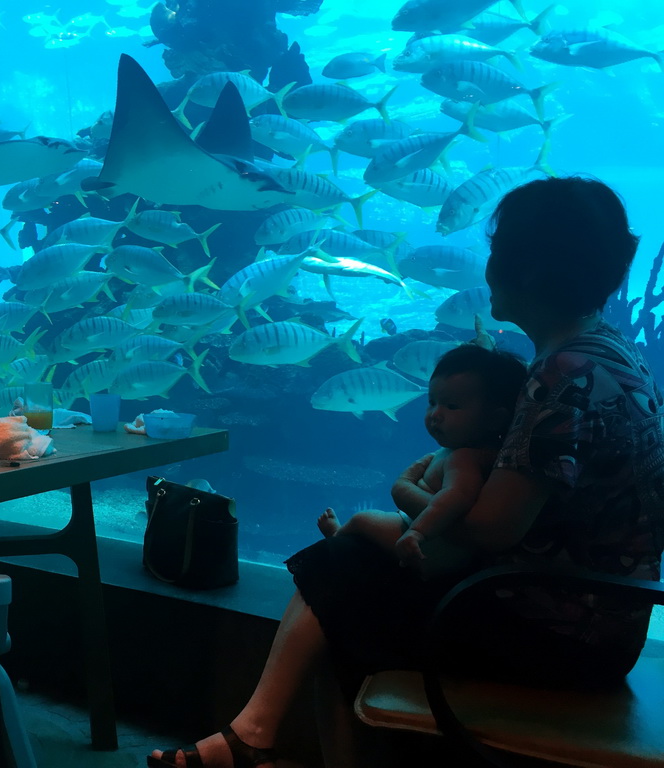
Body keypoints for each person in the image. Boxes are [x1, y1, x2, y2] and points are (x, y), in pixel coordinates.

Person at [149, 175, 664, 768]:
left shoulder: (562, 376)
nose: (487, 268)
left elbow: (492, 529)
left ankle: (250, 738)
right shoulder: (611, 353)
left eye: (497, 253)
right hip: (601, 619)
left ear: (527, 268)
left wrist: (406, 496)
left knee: (337, 571)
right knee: (344, 569)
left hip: (560, 631)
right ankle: (254, 738)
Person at [317, 344, 528, 575]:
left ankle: (338, 536)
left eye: (451, 406)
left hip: (432, 547)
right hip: (428, 537)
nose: (435, 414)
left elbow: (453, 498)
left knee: (363, 519)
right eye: (432, 402)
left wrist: (418, 532)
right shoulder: (468, 452)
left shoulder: (464, 458)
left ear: (495, 419)